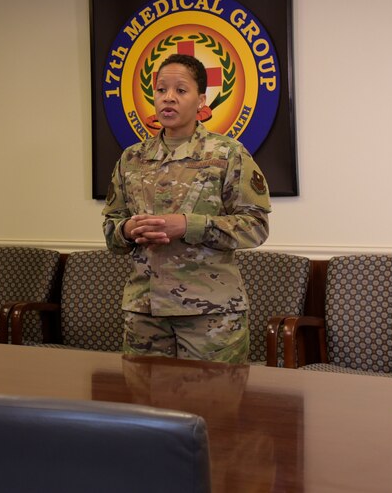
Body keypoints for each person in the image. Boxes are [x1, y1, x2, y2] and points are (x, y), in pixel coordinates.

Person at [102, 53, 271, 364]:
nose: (169, 98)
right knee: (146, 408)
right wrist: (126, 230)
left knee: (213, 406)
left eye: (181, 90)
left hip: (210, 314)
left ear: (201, 100)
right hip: (145, 311)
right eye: (161, 90)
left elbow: (256, 226)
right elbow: (111, 227)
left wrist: (189, 225)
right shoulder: (132, 158)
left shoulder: (228, 154)